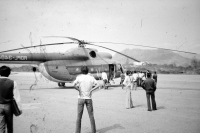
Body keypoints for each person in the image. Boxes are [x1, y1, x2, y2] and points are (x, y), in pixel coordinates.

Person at [73, 66, 99, 133]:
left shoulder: (79, 77)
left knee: (79, 117)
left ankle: (77, 132)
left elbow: (74, 85)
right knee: (91, 116)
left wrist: (79, 90)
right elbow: (98, 85)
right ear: (87, 71)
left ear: (81, 71)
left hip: (81, 98)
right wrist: (91, 90)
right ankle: (94, 131)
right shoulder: (91, 78)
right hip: (89, 98)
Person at [0, 66, 22, 133]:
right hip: (9, 106)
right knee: (10, 126)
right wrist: (19, 108)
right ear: (9, 73)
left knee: (1, 126)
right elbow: (17, 97)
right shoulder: (13, 82)